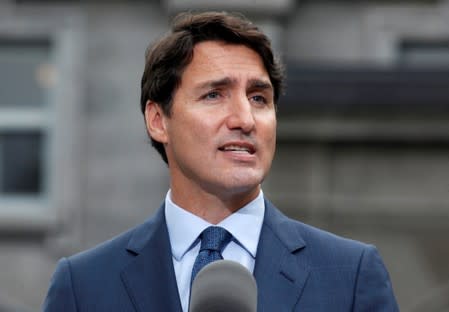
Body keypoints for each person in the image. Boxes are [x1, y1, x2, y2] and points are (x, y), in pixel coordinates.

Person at [43, 11, 399, 311]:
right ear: (158, 120)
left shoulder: (350, 276)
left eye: (259, 98)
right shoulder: (83, 286)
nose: (244, 119)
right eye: (214, 94)